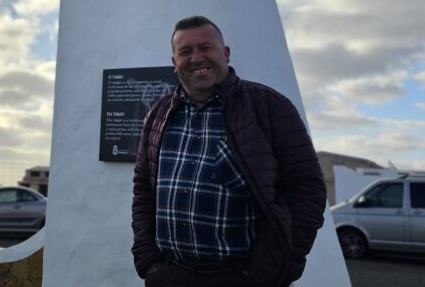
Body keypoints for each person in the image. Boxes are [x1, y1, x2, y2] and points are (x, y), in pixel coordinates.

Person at [132, 15, 326, 287]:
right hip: (169, 275)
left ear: (226, 53)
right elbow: (143, 187)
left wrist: (272, 270)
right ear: (174, 63)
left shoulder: (270, 108)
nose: (196, 58)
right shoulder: (158, 114)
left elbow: (307, 189)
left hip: (242, 277)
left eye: (205, 47)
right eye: (185, 52)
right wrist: (149, 262)